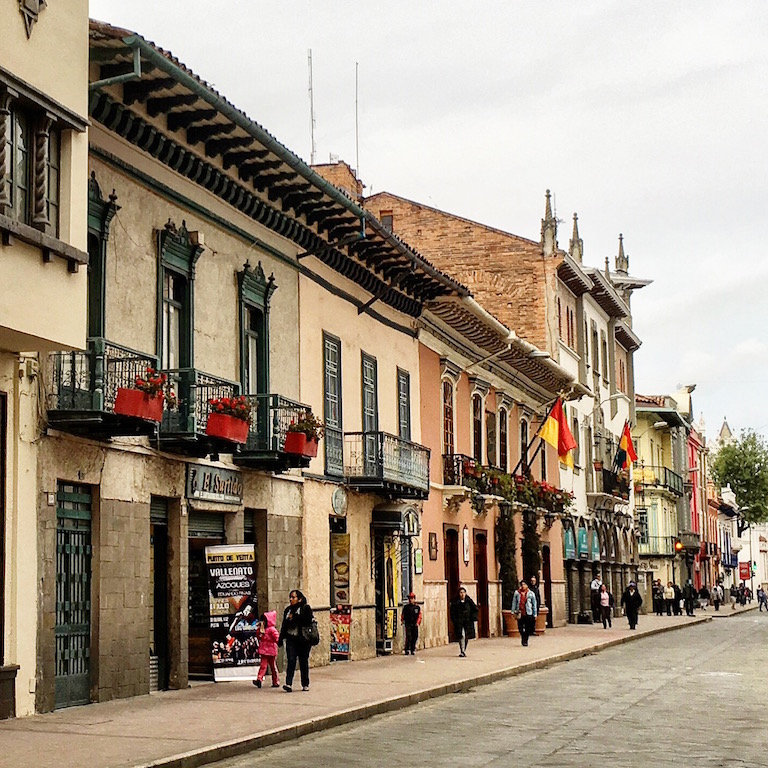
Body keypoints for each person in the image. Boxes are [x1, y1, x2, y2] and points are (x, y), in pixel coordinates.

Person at [277, 589, 314, 692]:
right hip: (291, 639)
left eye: (293, 597)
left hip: (303, 640)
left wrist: (295, 617)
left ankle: (305, 684)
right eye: (290, 597)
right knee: (291, 660)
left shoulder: (305, 608)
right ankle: (288, 684)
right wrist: (280, 638)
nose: (291, 599)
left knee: (303, 662)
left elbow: (307, 621)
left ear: (299, 599)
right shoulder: (288, 610)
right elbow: (284, 625)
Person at [253, 611, 280, 688]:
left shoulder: (271, 629)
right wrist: (260, 631)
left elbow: (276, 638)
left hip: (270, 650)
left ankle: (275, 681)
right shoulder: (263, 629)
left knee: (273, 666)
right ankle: (259, 679)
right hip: (265, 651)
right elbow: (259, 637)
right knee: (263, 666)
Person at [449, 586, 478, 657]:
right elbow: (452, 612)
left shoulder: (469, 601)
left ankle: (464, 649)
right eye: (461, 592)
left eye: (463, 592)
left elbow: (475, 609)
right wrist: (454, 620)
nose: (462, 594)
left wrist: (473, 617)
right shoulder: (455, 602)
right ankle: (462, 650)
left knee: (466, 636)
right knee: (461, 635)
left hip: (467, 622)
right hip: (459, 622)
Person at [511, 580, 537, 646]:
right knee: (520, 627)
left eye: (524, 584)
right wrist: (512, 611)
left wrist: (535, 614)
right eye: (522, 584)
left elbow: (534, 604)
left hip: (528, 612)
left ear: (527, 585)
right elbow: (514, 602)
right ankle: (523, 636)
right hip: (519, 612)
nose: (523, 586)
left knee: (527, 628)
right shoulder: (517, 593)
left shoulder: (531, 593)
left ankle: (525, 640)